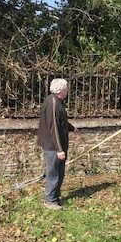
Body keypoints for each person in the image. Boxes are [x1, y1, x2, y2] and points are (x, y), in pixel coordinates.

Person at [37, 78, 78, 210]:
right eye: (66, 89)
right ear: (61, 90)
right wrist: (59, 149)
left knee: (60, 173)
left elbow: (61, 122)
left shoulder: (57, 102)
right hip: (52, 146)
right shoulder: (53, 103)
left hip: (57, 146)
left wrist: (72, 128)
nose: (67, 91)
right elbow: (53, 127)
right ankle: (50, 201)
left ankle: (55, 196)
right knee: (53, 173)